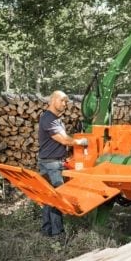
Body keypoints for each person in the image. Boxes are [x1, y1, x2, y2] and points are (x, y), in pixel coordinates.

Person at [38, 90, 88, 237]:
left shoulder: (53, 118)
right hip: (52, 164)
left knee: (49, 198)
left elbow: (65, 137)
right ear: (53, 100)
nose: (65, 104)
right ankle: (58, 235)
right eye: (63, 101)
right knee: (57, 199)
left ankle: (47, 231)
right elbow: (65, 140)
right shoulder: (49, 119)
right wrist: (82, 142)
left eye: (66, 101)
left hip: (49, 162)